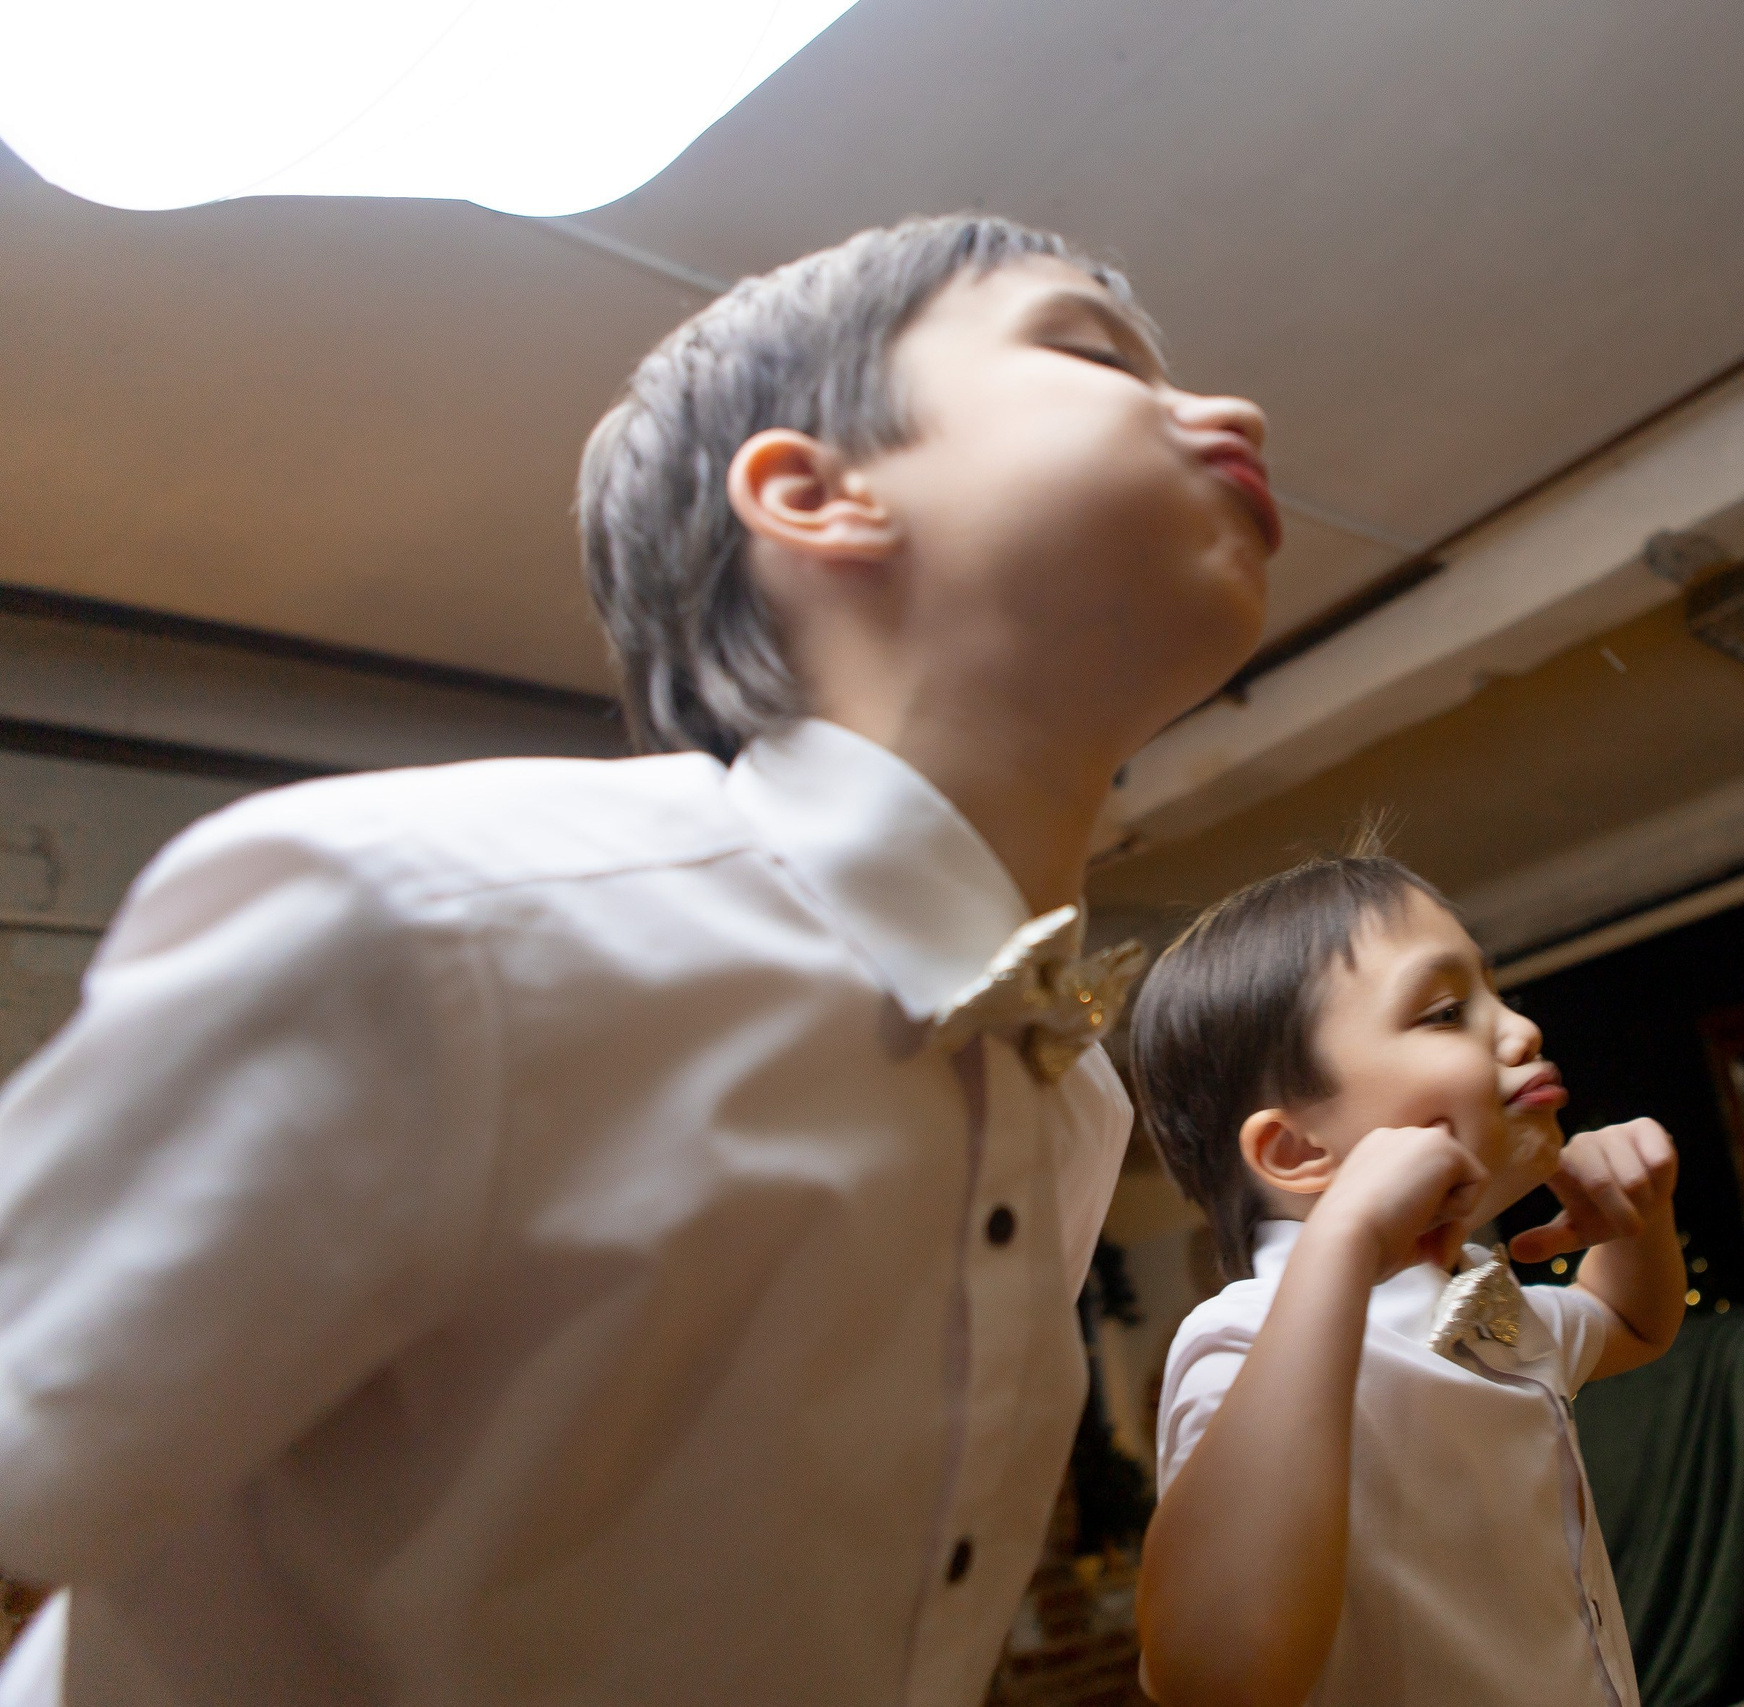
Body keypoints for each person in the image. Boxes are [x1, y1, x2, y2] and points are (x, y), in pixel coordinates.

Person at [0, 214, 1277, 1706]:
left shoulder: (1068, 1104)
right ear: (815, 490)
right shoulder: (444, 921)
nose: (1233, 413)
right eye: (1087, 346)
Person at [1129, 852, 1687, 1707]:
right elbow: (1214, 1676)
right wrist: (1346, 1235)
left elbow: (1631, 1319)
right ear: (1300, 1151)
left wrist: (1637, 1221)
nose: (1521, 1029)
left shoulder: (1477, 1305)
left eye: (1496, 993)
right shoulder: (1249, 1336)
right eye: (1445, 1011)